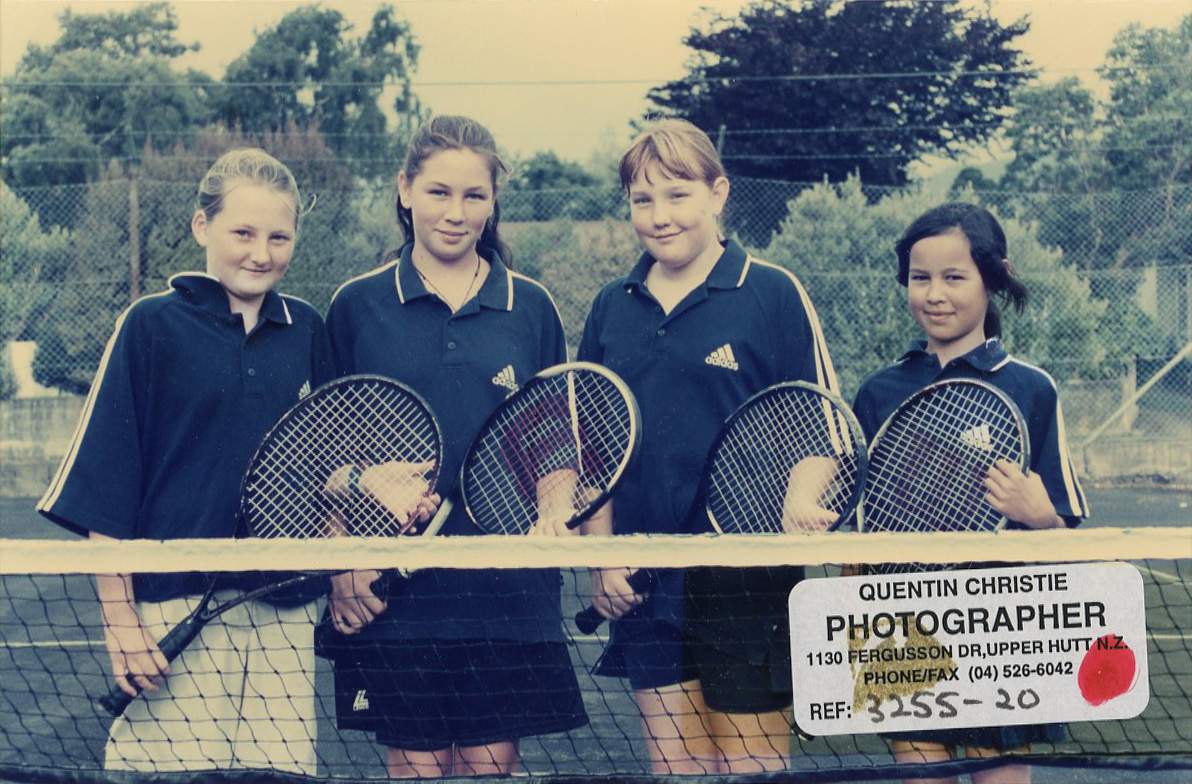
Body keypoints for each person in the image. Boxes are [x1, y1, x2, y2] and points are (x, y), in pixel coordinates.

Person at [37, 149, 335, 774]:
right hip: (171, 610)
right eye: (243, 233)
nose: (261, 252)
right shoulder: (149, 326)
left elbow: (331, 466)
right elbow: (108, 489)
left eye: (279, 237)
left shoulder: (309, 329)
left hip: (285, 615)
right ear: (202, 227)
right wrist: (121, 625)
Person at [320, 115, 588, 778]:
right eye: (438, 192)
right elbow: (320, 453)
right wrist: (340, 567)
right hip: (395, 597)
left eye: (474, 195)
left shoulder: (532, 307)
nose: (455, 212)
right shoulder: (355, 307)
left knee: (489, 766)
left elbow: (552, 439)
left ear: (494, 201)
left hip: (507, 591)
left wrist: (554, 509)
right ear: (405, 189)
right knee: (416, 767)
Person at [577, 118, 840, 774]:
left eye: (678, 194)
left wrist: (803, 498)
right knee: (678, 771)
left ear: (718, 194)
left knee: (751, 770)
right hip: (643, 584)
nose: (660, 217)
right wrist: (600, 563)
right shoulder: (613, 306)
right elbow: (594, 454)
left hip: (748, 582)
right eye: (643, 200)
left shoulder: (772, 292)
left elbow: (821, 429)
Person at [852, 202, 1089, 784]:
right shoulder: (879, 392)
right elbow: (859, 537)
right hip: (901, 626)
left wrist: (1040, 515)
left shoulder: (1032, 389)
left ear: (993, 277)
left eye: (954, 277)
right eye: (920, 277)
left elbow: (1067, 533)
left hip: (1000, 623)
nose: (935, 293)